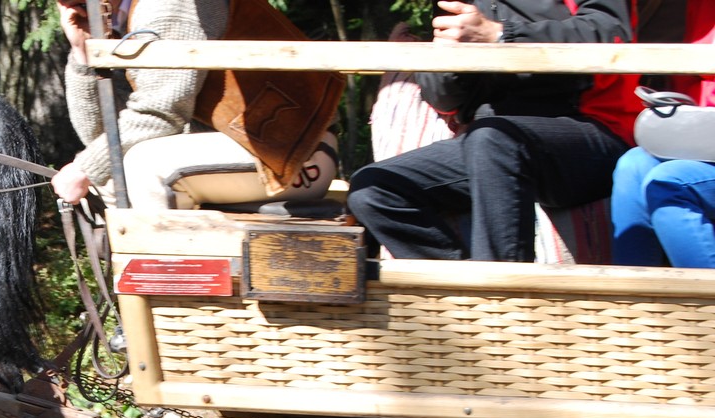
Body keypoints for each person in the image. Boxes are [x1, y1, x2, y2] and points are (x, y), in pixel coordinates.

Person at [347, 0, 640, 262]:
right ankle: (460, 304)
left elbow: (609, 31)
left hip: (593, 131)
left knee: (493, 138)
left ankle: (503, 303)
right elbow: (446, 101)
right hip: (494, 143)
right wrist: (449, 61)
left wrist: (501, 35)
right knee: (373, 189)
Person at [51, 0, 340, 210]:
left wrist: (84, 169)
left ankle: (166, 284)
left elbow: (160, 114)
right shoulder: (120, 19)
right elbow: (103, 137)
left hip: (299, 155)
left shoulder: (166, 7)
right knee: (107, 171)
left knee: (141, 166)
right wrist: (82, 54)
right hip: (254, 149)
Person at [611, 0, 715, 267]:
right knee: (632, 165)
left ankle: (702, 301)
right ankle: (632, 300)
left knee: (668, 181)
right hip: (700, 141)